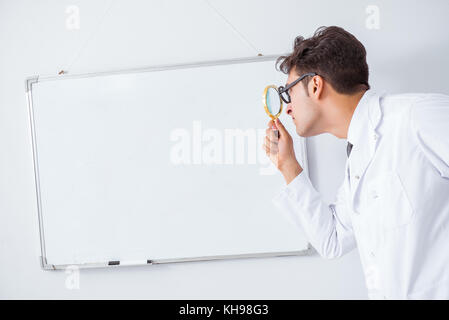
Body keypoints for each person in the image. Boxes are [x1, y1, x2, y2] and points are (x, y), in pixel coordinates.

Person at [263, 26, 449, 299]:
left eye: (288, 93)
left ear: (315, 85)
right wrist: (287, 166)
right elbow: (333, 240)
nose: (287, 107)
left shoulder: (416, 116)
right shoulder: (358, 156)